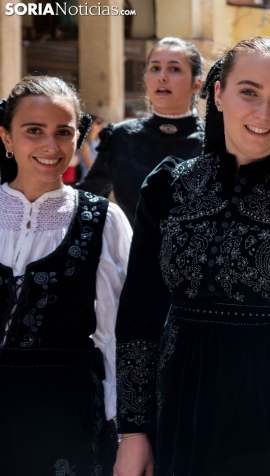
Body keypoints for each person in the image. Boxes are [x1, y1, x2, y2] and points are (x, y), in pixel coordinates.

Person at [113, 37, 270, 476]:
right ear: (218, 93)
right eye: (249, 91)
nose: (263, 114)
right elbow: (139, 315)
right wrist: (134, 430)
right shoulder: (169, 188)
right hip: (181, 414)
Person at [0, 76, 132, 474]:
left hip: (67, 416)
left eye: (63, 132)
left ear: (79, 138)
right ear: (6, 138)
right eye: (33, 131)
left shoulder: (102, 220)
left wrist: (123, 428)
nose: (50, 146)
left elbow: (116, 335)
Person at [78, 37, 205, 226]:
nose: (162, 77)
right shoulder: (121, 136)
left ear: (196, 85)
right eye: (155, 68)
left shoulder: (216, 143)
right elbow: (88, 200)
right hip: (131, 254)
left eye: (174, 69)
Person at [76, 113, 106, 179]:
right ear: (89, 125)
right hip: (88, 180)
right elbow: (91, 166)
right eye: (98, 123)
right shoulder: (84, 144)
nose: (101, 125)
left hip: (99, 180)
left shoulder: (99, 142)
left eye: (102, 123)